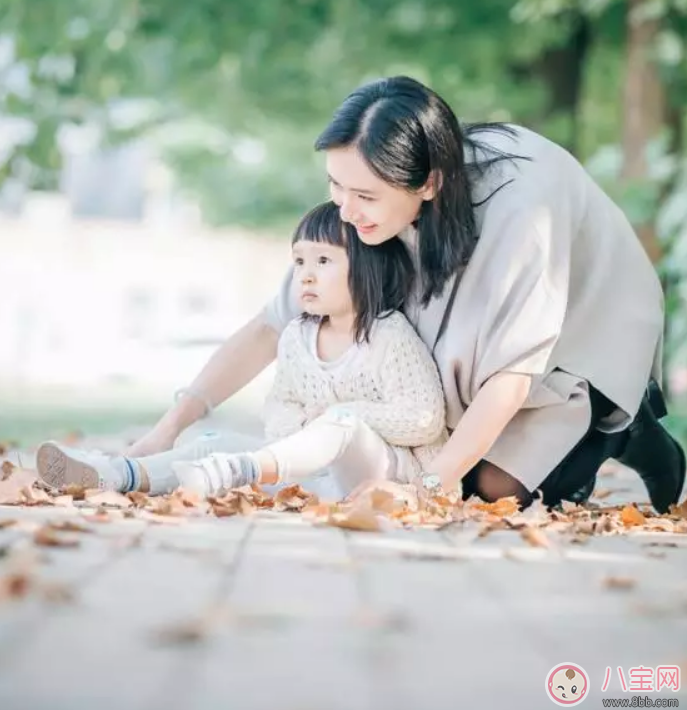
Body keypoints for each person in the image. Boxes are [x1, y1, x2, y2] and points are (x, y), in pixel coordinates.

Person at [85, 74, 684, 513]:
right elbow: (273, 325)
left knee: (492, 489)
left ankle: (622, 427)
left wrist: (428, 490)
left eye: (364, 195)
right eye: (335, 186)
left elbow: (511, 373)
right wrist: (170, 427)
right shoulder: (367, 208)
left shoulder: (522, 215)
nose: (345, 210)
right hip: (486, 301)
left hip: (589, 314)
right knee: (464, 461)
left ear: (429, 182)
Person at [36, 202, 448, 499]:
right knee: (209, 441)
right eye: (299, 261)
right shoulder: (296, 338)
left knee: (338, 424)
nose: (305, 275)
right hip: (313, 476)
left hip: (382, 479)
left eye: (323, 261)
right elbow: (281, 406)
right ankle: (112, 473)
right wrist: (300, 434)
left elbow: (424, 418)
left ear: (369, 268)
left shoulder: (389, 336)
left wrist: (342, 418)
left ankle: (238, 471)